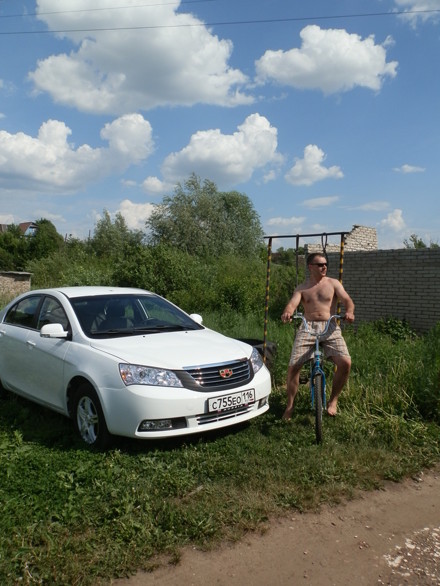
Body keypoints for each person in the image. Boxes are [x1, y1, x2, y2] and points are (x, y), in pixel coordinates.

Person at [281, 252, 355, 419]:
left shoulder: (333, 283)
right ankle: (290, 406)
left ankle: (333, 400)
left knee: (345, 362)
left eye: (325, 264)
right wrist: (287, 312)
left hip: (330, 326)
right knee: (294, 366)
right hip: (308, 327)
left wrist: (349, 312)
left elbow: (347, 300)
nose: (324, 267)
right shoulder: (302, 288)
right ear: (310, 267)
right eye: (320, 264)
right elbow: (292, 304)